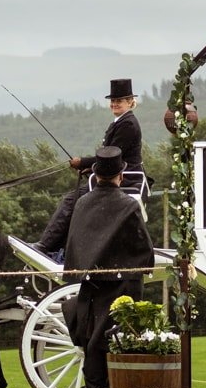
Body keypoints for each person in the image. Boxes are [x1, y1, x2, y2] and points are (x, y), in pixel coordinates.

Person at [62, 146, 154, 388]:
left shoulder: (81, 204)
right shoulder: (129, 205)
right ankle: (120, 382)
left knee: (93, 335)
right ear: (121, 176)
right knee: (119, 333)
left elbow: (75, 242)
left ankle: (95, 385)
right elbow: (143, 247)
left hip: (91, 284)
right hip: (123, 285)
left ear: (96, 175)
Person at [36, 78, 145, 261]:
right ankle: (55, 248)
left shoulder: (127, 124)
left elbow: (111, 156)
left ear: (129, 101)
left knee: (72, 200)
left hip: (123, 177)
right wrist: (90, 168)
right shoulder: (121, 121)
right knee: (74, 198)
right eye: (113, 101)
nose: (114, 104)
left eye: (119, 101)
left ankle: (46, 246)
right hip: (114, 172)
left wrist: (83, 162)